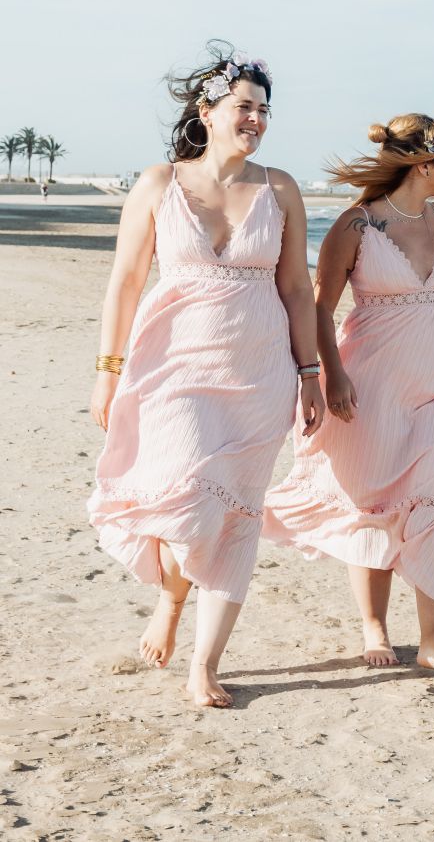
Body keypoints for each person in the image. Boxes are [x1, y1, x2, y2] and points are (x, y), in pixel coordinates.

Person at [88, 45, 323, 708]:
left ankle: (205, 663)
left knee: (236, 516)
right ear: (208, 110)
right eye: (244, 106)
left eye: (263, 110)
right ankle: (169, 595)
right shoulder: (160, 183)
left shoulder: (279, 189)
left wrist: (310, 373)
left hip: (259, 374)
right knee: (185, 494)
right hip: (174, 369)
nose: (255, 118)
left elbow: (298, 289)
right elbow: (126, 282)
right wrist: (108, 372)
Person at [264, 115, 434, 680]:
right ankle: (374, 625)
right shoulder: (356, 225)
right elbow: (320, 307)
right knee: (375, 507)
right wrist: (329, 375)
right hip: (372, 384)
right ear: (424, 164)